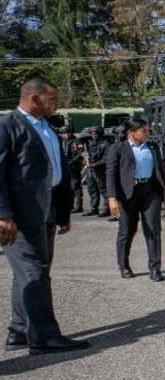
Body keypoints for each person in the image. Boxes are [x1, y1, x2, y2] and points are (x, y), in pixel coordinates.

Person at [1, 78, 87, 355]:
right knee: (34, 273)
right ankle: (45, 337)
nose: (57, 103)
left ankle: (20, 330)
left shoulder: (47, 128)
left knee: (30, 274)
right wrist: (3, 215)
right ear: (34, 98)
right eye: (52, 98)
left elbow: (55, 172)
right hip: (21, 215)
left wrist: (64, 212)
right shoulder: (7, 127)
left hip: (46, 211)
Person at [106, 117, 165, 281]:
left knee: (153, 229)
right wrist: (112, 198)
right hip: (128, 193)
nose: (147, 134)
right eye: (143, 131)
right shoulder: (118, 148)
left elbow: (160, 168)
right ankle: (124, 266)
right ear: (131, 133)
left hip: (150, 191)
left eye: (147, 130)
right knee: (127, 230)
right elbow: (110, 174)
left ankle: (155, 268)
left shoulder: (152, 147)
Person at [82, 126, 111, 217]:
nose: (94, 135)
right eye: (92, 134)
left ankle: (107, 209)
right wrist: (83, 155)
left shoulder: (105, 143)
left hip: (101, 170)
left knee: (103, 189)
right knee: (92, 189)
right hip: (90, 170)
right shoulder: (88, 143)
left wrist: (95, 164)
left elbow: (106, 158)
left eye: (96, 134)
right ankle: (94, 208)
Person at [58, 126, 85, 214]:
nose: (66, 135)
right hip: (64, 166)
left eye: (68, 133)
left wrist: (73, 161)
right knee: (67, 187)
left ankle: (79, 205)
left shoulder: (76, 141)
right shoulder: (61, 141)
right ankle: (70, 205)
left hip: (74, 166)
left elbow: (80, 152)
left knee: (75, 186)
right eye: (64, 133)